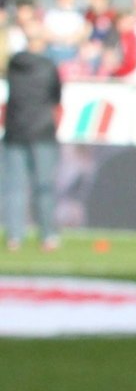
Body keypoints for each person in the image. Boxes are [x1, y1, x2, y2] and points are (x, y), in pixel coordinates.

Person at [3, 16, 61, 253]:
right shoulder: (48, 67)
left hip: (14, 132)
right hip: (42, 132)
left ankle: (14, 237)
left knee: (15, 188)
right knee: (44, 187)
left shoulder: (14, 65)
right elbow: (56, 97)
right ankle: (48, 236)